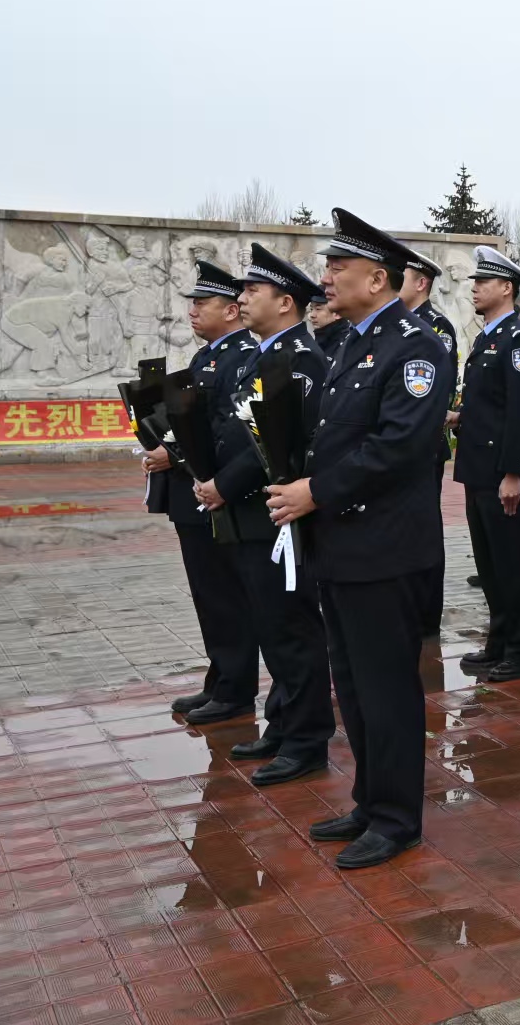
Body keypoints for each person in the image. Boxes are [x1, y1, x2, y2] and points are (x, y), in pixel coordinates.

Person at [267, 209, 454, 869]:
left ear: (377, 279)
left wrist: (315, 491)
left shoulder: (418, 347)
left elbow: (397, 446)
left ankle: (398, 816)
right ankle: (370, 799)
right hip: (343, 547)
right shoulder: (350, 343)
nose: (325, 278)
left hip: (384, 548)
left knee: (387, 688)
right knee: (352, 683)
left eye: (336, 268)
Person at [196, 243, 335, 786]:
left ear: (285, 302)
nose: (243, 297)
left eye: (253, 291)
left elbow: (273, 447)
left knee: (293, 629)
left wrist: (223, 486)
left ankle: (306, 740)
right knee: (271, 627)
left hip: (280, 516)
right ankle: (282, 724)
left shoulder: (300, 361)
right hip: (254, 515)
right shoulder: (262, 354)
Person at [143, 261, 261, 724]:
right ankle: (221, 679)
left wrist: (173, 455)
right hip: (194, 491)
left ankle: (235, 689)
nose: (192, 312)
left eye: (202, 303)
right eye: (191, 303)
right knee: (208, 595)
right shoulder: (208, 356)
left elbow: (227, 429)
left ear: (232, 310)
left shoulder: (237, 358)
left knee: (223, 595)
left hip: (216, 493)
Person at [453, 248, 520, 684]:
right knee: (489, 563)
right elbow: (489, 406)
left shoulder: (517, 340)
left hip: (502, 472)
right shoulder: (487, 338)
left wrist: (514, 472)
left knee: (512, 561)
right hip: (478, 469)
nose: (474, 288)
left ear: (505, 288)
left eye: (482, 282)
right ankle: (499, 639)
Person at [399, 245, 457, 637]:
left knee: (423, 530)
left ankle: (425, 615)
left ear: (421, 283)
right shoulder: (397, 325)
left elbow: (435, 393)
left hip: (423, 447)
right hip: (401, 449)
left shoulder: (434, 327)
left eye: (400, 275)